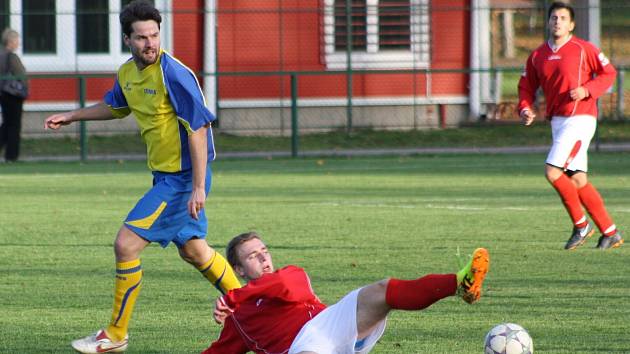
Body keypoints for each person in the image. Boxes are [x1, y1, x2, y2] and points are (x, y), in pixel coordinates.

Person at [44, 1, 241, 352]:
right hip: (164, 177)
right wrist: (72, 116)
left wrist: (197, 186)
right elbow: (117, 106)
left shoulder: (174, 73)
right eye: (141, 37)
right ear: (127, 39)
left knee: (126, 244)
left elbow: (197, 128)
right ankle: (255, 305)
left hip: (181, 180)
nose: (150, 43)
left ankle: (116, 334)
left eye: (154, 35)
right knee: (195, 252)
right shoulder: (127, 73)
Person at [202, 232, 490, 354]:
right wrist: (236, 302)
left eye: (265, 251)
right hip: (299, 348)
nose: (264, 258)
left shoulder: (288, 274)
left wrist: (233, 296)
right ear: (238, 269)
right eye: (253, 256)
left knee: (382, 290)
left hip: (329, 323)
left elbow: (287, 287)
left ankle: (459, 283)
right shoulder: (238, 318)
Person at [518, 1, 623, 250]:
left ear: (571, 24)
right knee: (577, 180)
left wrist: (588, 90)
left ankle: (581, 226)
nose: (557, 21)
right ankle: (610, 232)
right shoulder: (537, 55)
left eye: (563, 18)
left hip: (580, 119)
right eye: (554, 17)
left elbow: (609, 73)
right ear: (548, 22)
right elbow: (526, 87)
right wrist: (524, 107)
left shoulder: (584, 49)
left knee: (552, 172)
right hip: (558, 121)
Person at [0, 28, 27, 162]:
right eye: (17, 40)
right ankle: (12, 155)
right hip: (13, 94)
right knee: (14, 125)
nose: (18, 43)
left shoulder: (1, 55)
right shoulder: (11, 56)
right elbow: (21, 75)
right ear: (11, 41)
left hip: (3, 94)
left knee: (6, 124)